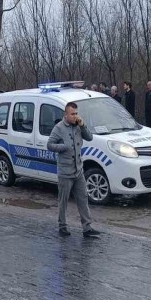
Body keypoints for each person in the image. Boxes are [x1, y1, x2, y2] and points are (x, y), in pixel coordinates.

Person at [47, 102, 102, 238]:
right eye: (72, 114)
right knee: (63, 200)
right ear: (66, 115)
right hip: (65, 172)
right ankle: (62, 226)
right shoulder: (58, 128)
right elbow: (49, 145)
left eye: (76, 113)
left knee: (83, 198)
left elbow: (89, 137)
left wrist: (83, 126)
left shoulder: (78, 126)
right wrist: (63, 147)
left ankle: (87, 227)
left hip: (78, 170)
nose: (75, 116)